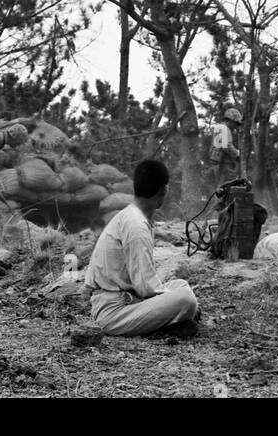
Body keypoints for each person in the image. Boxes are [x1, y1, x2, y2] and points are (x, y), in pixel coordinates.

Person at [84, 158, 199, 337]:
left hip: (124, 298)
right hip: (113, 312)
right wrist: (173, 299)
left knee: (180, 285)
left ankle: (171, 320)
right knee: (186, 300)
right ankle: (171, 322)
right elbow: (146, 287)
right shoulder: (136, 225)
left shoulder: (132, 216)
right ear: (164, 189)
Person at [210, 106, 242, 186]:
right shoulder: (224, 128)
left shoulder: (219, 127)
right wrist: (237, 154)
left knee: (220, 187)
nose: (236, 126)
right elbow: (226, 146)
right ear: (231, 120)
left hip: (217, 162)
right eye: (236, 123)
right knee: (227, 187)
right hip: (223, 163)